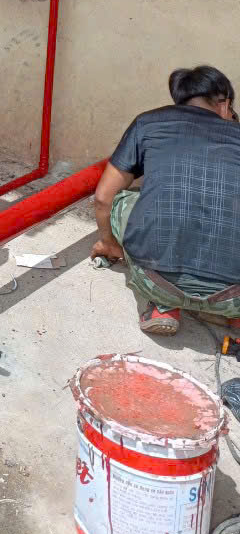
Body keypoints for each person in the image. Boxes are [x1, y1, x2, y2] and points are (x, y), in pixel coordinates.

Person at [92, 65, 240, 335]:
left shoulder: (148, 122)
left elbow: (103, 198)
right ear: (224, 104)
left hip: (156, 281)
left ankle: (163, 306)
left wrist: (108, 243)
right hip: (235, 296)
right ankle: (232, 314)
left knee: (125, 199)